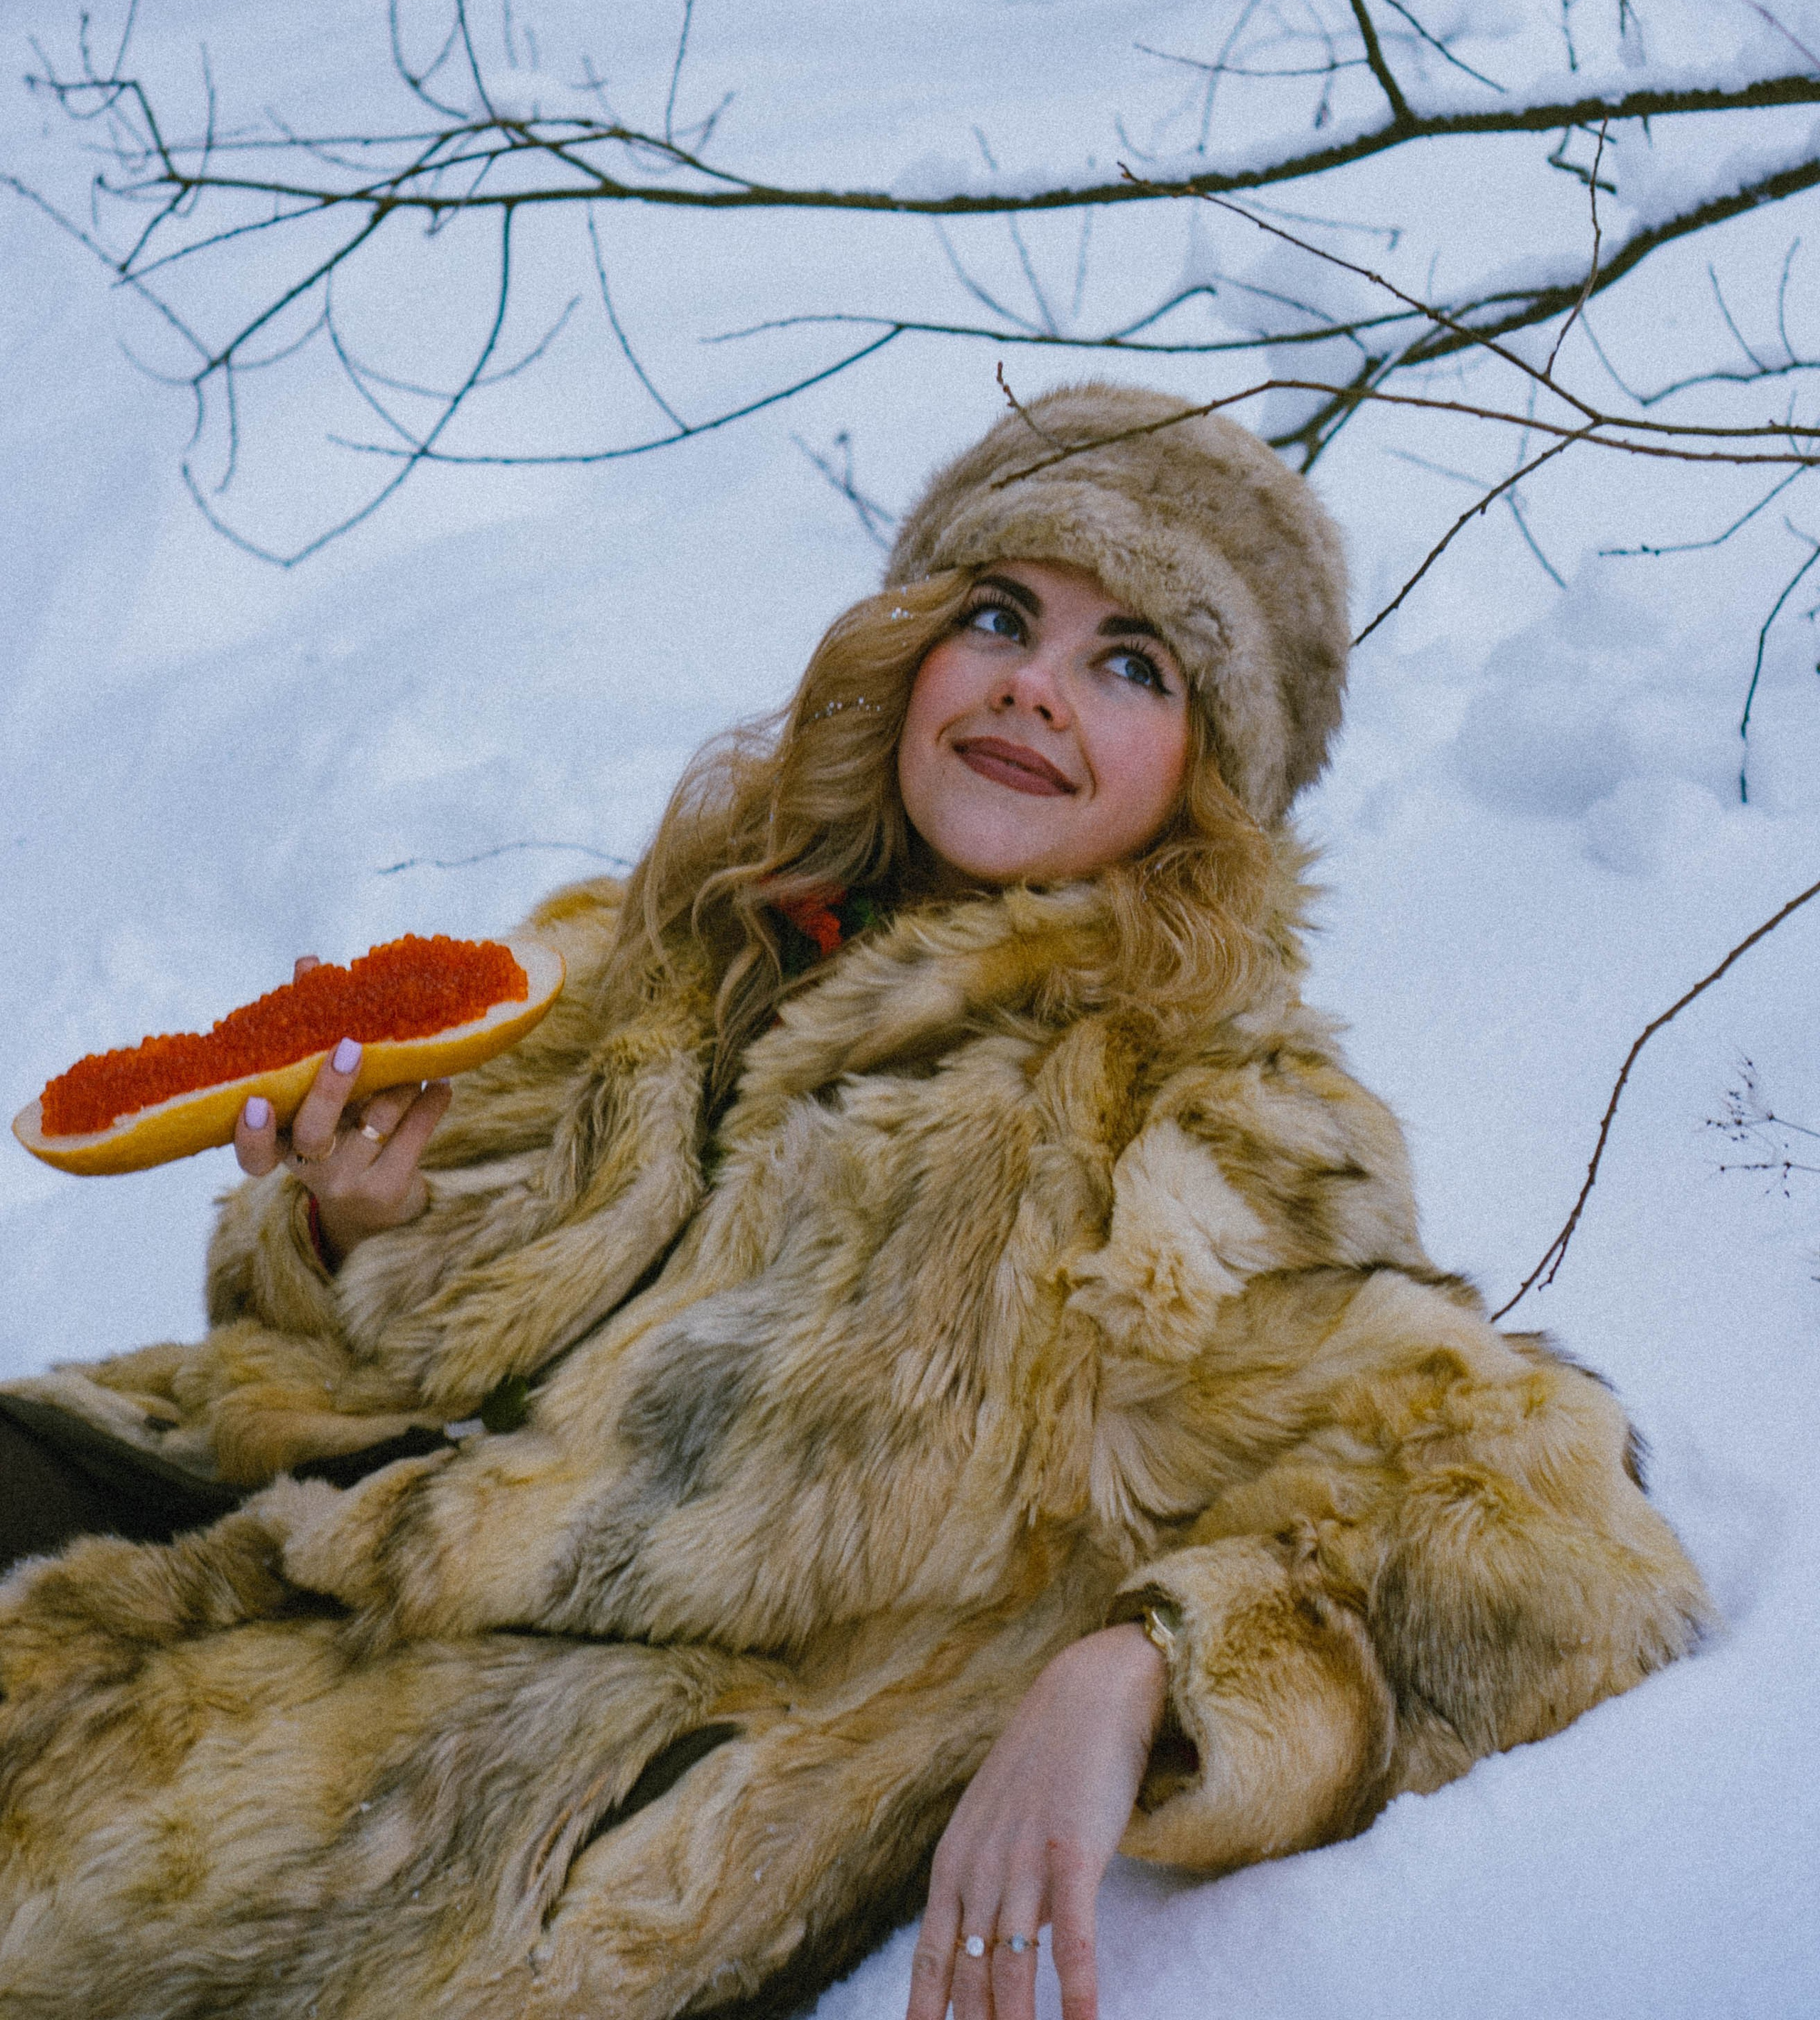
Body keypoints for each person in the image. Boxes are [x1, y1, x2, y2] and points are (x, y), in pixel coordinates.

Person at [0, 383, 1708, 2020]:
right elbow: (377, 1352)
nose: (1035, 688)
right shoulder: (661, 940)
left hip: (528, 1760)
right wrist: (347, 1234)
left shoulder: (1203, 1116)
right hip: (283, 1506)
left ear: (1205, 775)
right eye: (996, 617)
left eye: (1127, 663)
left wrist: (1142, 1671)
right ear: (903, 654)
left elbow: (1547, 1531)